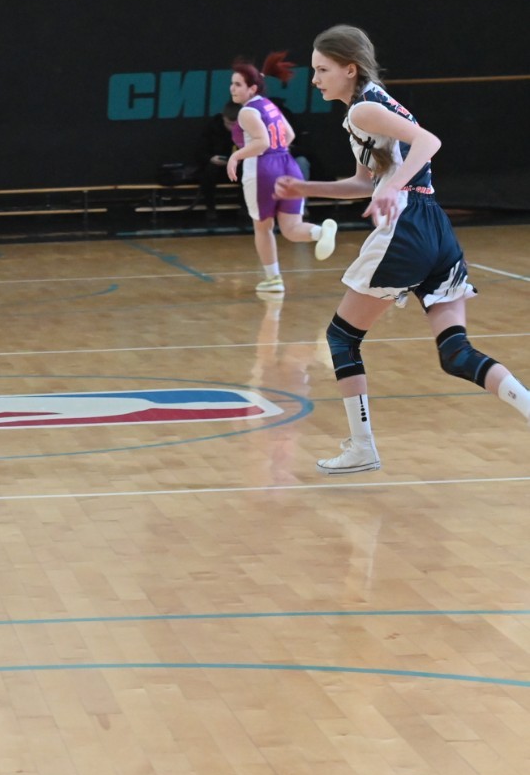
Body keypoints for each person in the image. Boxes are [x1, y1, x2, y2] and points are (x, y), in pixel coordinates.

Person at [275, 24, 530, 474]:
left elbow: (428, 141)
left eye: (322, 69)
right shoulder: (366, 107)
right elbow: (363, 183)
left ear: (349, 69)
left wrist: (393, 187)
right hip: (436, 228)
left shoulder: (365, 109)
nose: (314, 79)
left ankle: (362, 447)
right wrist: (305, 187)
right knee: (456, 353)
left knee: (341, 338)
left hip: (408, 223)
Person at [227, 52, 337, 293]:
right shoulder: (269, 105)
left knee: (263, 227)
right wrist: (277, 155)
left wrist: (236, 156)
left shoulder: (247, 111)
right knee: (291, 228)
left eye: (237, 84)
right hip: (288, 165)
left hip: (262, 169)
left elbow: (262, 142)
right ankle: (321, 232)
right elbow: (289, 135)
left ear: (252, 88)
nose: (232, 88)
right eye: (232, 83)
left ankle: (274, 280)